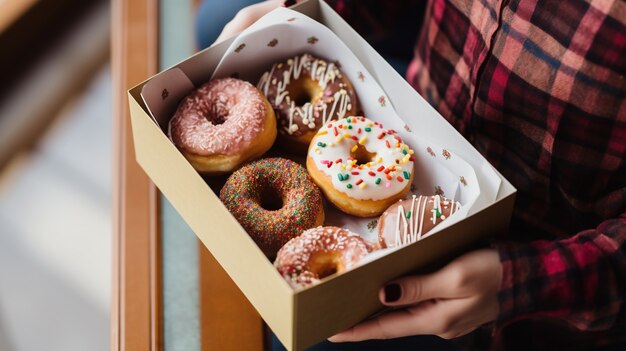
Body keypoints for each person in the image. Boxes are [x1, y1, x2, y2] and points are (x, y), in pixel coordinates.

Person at [199, 0, 626, 349]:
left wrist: (519, 280)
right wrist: (310, 11)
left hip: (533, 251)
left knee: (306, 336)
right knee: (217, 21)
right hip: (417, 109)